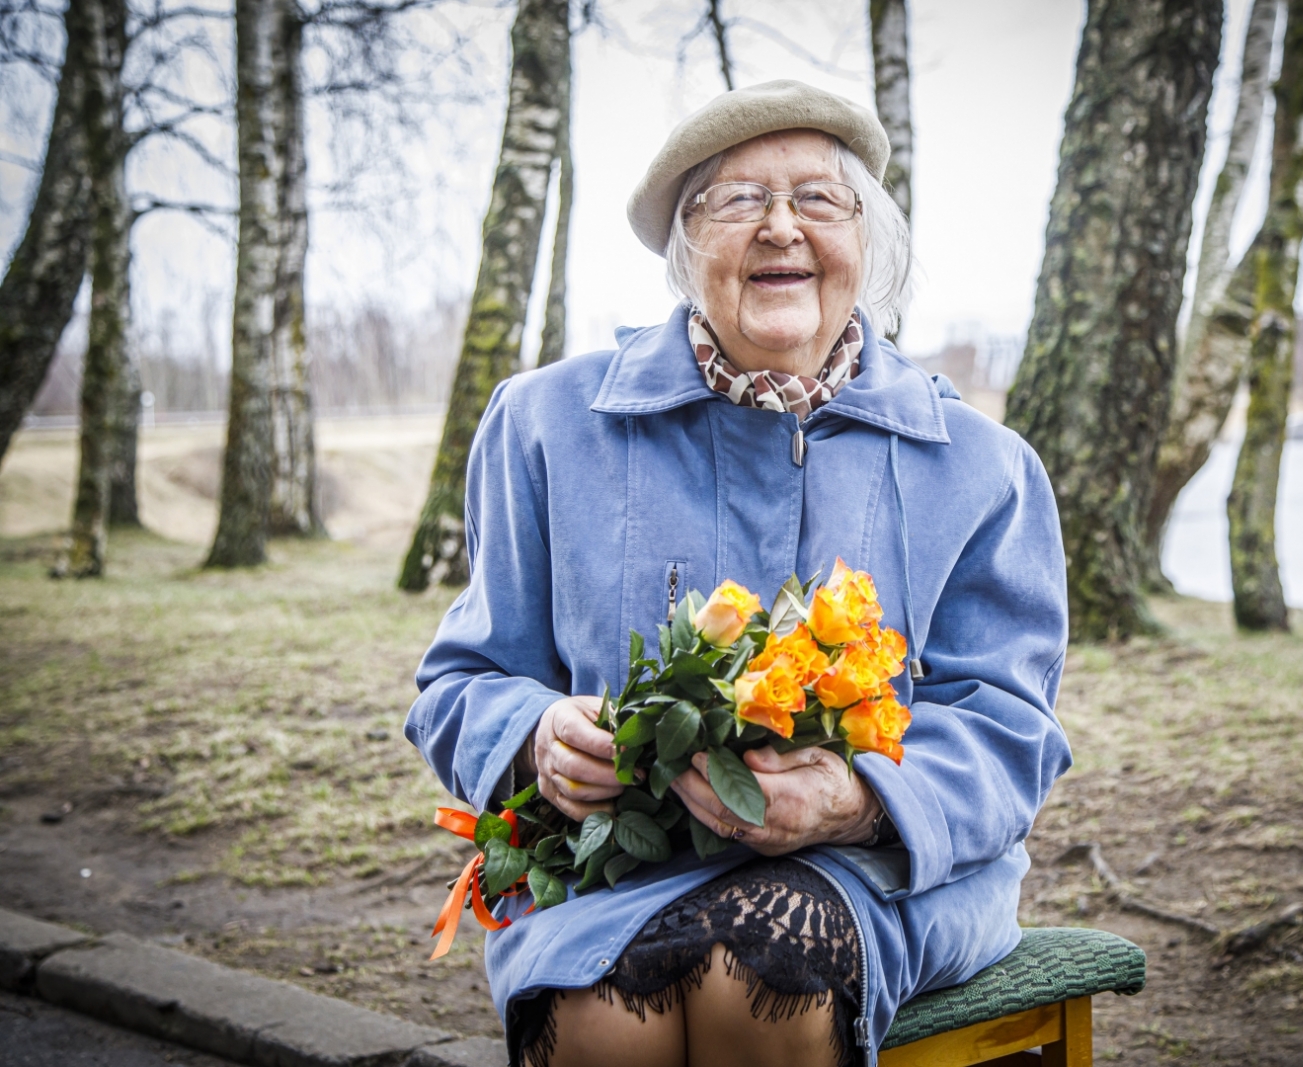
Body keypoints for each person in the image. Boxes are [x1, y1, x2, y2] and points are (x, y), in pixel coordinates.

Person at [406, 79, 1072, 1067]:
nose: (779, 228)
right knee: (605, 1017)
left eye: (816, 198)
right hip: (614, 867)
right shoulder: (544, 424)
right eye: (736, 200)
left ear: (866, 239)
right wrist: (538, 735)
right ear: (685, 247)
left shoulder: (982, 465)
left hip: (877, 870)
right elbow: (461, 683)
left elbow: (1007, 729)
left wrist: (855, 797)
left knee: (753, 979)